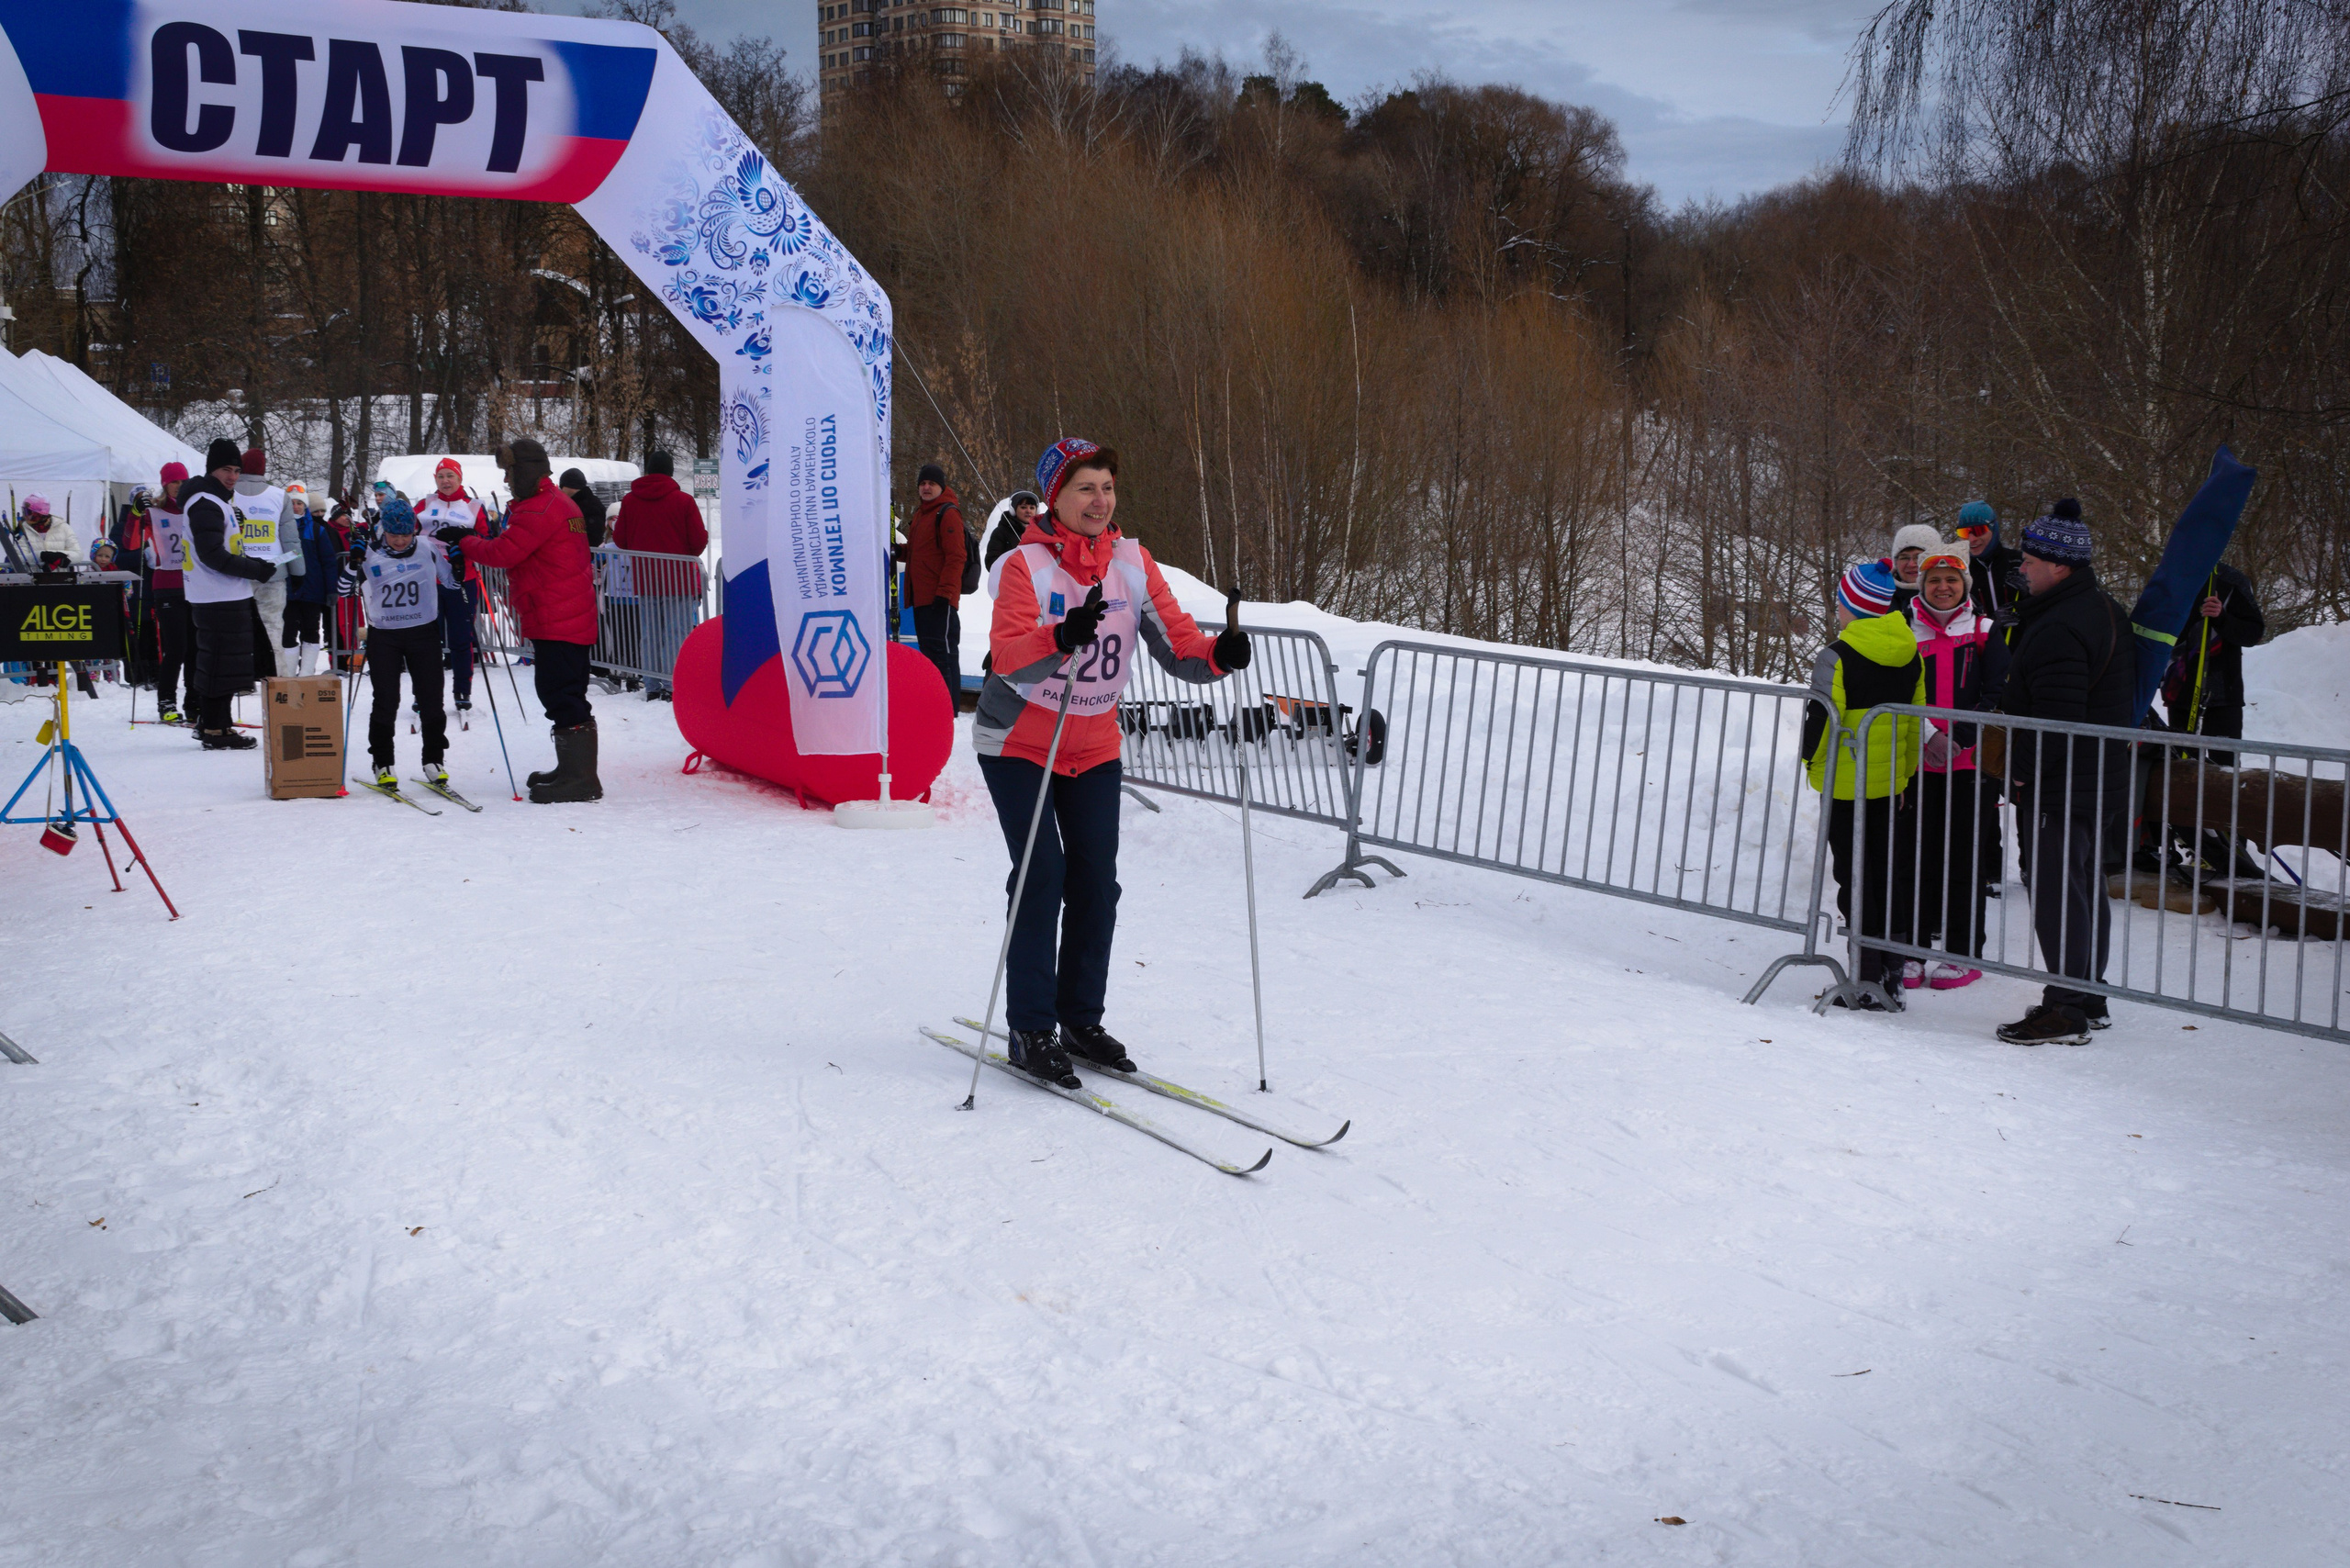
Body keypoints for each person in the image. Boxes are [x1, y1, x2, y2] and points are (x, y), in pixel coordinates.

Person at [975, 438, 1249, 1087]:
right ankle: (1030, 1026)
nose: (1100, 501)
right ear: (1056, 498)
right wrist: (1061, 635)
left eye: (1107, 488)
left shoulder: (1132, 563)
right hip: (1018, 743)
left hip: (1093, 744)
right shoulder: (1024, 567)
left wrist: (1220, 655)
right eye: (1085, 489)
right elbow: (1009, 658)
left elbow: (1178, 643)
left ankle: (1079, 1020)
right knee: (1042, 873)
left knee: (1097, 882)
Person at [1993, 498, 2134, 1046]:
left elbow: (2056, 719)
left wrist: (2021, 774)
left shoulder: (2060, 626)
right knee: (2082, 887)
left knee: (2058, 893)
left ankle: (2066, 1008)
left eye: (2030, 560)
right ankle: (2086, 994)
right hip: (2095, 779)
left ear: (2061, 567)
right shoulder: (2102, 609)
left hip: (2064, 782)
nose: (2021, 567)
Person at [1801, 560, 1926, 1010]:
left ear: (1851, 607)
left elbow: (1821, 720)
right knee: (1885, 873)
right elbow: (1914, 723)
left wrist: (1808, 763)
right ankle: (1891, 974)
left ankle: (1864, 977)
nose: (1837, 610)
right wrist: (1906, 775)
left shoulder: (1835, 656)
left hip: (1843, 782)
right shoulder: (1910, 652)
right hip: (1889, 785)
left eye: (1840, 602)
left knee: (1852, 876)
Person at [464, 439, 599, 802]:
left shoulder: (539, 509)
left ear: (523, 471)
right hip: (564, 613)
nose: (507, 481)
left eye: (509, 472)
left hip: (558, 615)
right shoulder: (558, 502)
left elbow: (504, 552)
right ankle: (572, 769)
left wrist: (466, 542)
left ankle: (581, 779)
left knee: (560, 693)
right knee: (565, 690)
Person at [1904, 547, 2004, 989]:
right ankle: (1914, 949)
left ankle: (1964, 954)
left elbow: (1998, 695)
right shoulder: (1906, 631)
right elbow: (1901, 694)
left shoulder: (1984, 630)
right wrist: (1929, 737)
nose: (1942, 588)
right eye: (1933, 581)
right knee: (1916, 856)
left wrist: (1959, 737)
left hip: (1970, 765)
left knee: (1965, 858)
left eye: (1951, 580)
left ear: (1966, 585)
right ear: (1920, 587)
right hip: (1919, 763)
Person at [336, 496, 458, 791]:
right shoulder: (369, 553)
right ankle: (382, 762)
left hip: (424, 633)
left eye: (406, 534)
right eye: (394, 535)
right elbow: (341, 589)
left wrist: (459, 558)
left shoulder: (427, 549)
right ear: (383, 531)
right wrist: (354, 561)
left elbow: (452, 581)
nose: (401, 541)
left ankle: (433, 759)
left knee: (431, 701)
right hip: (385, 636)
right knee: (386, 701)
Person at [180, 438, 282, 750]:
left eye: (237, 470)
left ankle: (215, 723)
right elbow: (211, 554)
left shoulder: (216, 499)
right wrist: (255, 570)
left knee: (224, 662)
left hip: (221, 592)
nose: (233, 476)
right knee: (220, 663)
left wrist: (251, 565)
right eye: (226, 469)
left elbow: (223, 548)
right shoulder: (206, 502)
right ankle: (214, 727)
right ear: (212, 469)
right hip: (216, 594)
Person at [610, 450, 708, 700]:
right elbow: (698, 541)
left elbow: (620, 539)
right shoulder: (684, 501)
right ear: (671, 471)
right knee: (676, 634)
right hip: (678, 580)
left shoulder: (630, 501)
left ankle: (652, 685)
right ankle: (673, 686)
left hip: (645, 578)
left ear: (648, 470)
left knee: (650, 634)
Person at [414, 458, 491, 721]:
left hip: (463, 579)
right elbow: (408, 534)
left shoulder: (473, 506)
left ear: (460, 479)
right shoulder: (424, 505)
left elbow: (486, 541)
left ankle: (462, 692)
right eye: (441, 476)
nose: (446, 481)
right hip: (429, 580)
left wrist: (464, 538)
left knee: (461, 639)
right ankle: (424, 694)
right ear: (435, 479)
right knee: (426, 642)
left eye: (450, 476)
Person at [904, 462, 968, 711]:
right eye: (922, 483)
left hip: (938, 600)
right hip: (922, 599)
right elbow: (921, 552)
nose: (926, 487)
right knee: (932, 655)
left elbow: (956, 557)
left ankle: (947, 710)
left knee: (943, 656)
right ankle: (938, 707)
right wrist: (899, 552)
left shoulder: (947, 512)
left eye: (931, 483)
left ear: (941, 486)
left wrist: (944, 595)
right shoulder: (922, 514)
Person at [229, 449, 297, 678]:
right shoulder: (279, 496)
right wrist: (297, 570)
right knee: (273, 627)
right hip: (272, 572)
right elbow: (290, 541)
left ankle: (240, 679)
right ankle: (277, 679)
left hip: (236, 571)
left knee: (237, 630)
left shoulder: (227, 494)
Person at [285, 484, 346, 675]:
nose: (296, 507)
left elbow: (328, 562)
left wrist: (331, 589)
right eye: (292, 503)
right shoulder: (280, 528)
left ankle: (306, 673)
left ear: (305, 506)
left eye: (299, 503)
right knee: (287, 633)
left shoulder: (317, 530)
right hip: (287, 591)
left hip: (313, 591)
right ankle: (288, 673)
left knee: (311, 632)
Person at [1955, 500, 2025, 616]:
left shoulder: (2019, 561)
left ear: (1994, 528)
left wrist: (2027, 597)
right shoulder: (1960, 570)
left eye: (1978, 530)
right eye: (1964, 532)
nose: (1971, 539)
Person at [1885, 523, 1942, 617]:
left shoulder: (1953, 597)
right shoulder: (1881, 598)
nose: (1911, 564)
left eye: (1919, 557)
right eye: (1904, 557)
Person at [18, 494, 84, 568]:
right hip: (33, 578)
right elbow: (19, 558)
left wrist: (56, 557)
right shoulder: (22, 530)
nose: (24, 516)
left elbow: (78, 554)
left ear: (39, 513)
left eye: (28, 512)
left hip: (62, 577)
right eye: (23, 511)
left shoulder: (63, 527)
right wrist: (41, 556)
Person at [985, 490, 1039, 570]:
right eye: (1023, 507)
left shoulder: (1041, 532)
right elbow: (991, 562)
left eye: (1032, 508)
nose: (1028, 511)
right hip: (1011, 580)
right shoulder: (1000, 532)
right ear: (1013, 510)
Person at [558, 468, 609, 547]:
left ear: (570, 486)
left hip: (586, 553)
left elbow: (594, 535)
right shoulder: (579, 502)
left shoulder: (588, 505)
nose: (561, 490)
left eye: (562, 487)